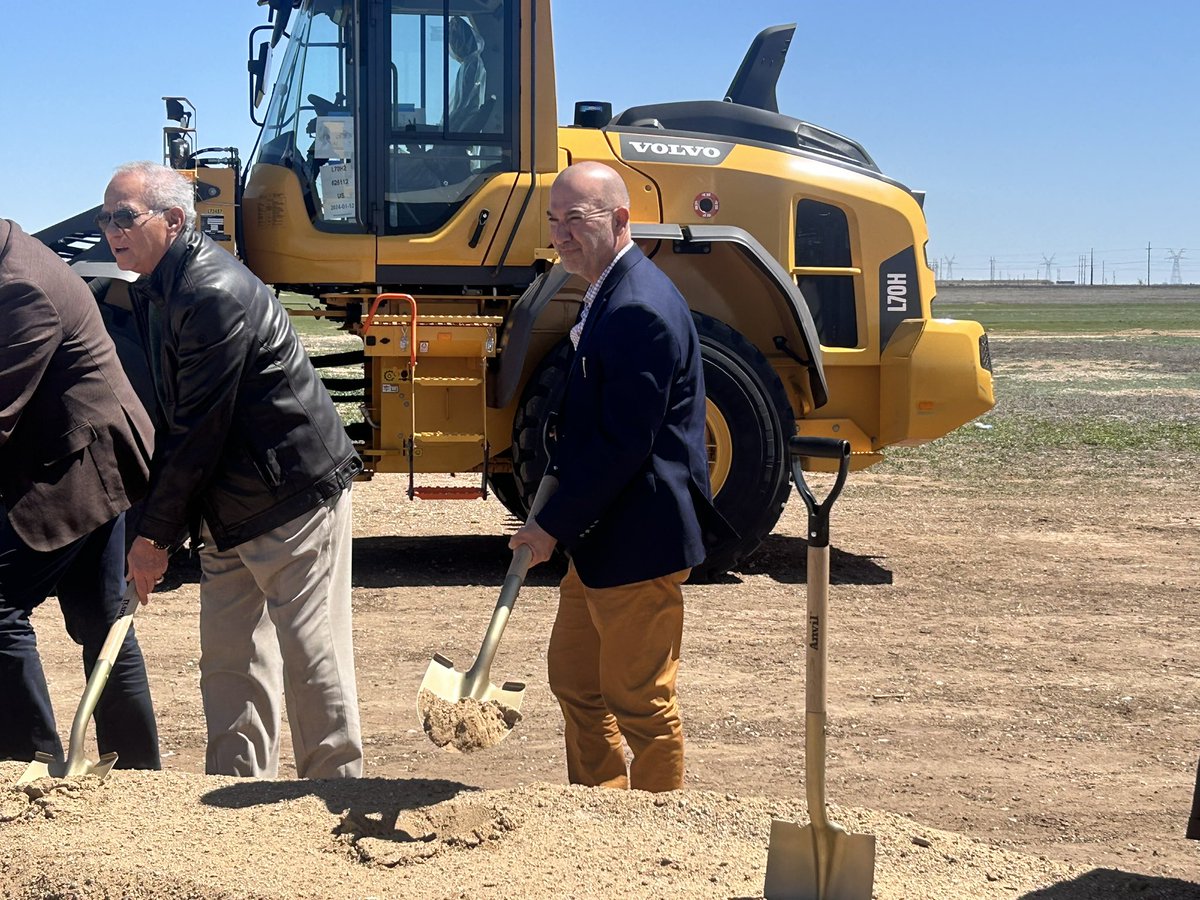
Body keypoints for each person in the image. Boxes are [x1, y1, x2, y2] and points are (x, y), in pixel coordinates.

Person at [101, 161, 364, 779]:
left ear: (172, 220)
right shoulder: (159, 288)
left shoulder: (212, 292)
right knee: (229, 659)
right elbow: (170, 419)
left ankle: (340, 796)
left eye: (123, 217)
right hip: (227, 503)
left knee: (311, 656)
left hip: (291, 496)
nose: (110, 229)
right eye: (104, 216)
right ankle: (239, 809)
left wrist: (153, 537)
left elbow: (197, 429)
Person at [509, 161, 731, 793]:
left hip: (640, 539)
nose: (561, 234)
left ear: (621, 219)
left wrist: (550, 526)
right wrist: (551, 514)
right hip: (604, 539)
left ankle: (657, 831)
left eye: (576, 219)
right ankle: (600, 811)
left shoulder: (639, 308)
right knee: (577, 680)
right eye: (554, 220)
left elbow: (622, 443)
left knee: (638, 701)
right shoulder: (611, 290)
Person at [0, 217, 160, 770]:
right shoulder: (12, 259)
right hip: (77, 456)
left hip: (79, 468)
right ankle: (139, 773)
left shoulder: (20, 286)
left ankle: (29, 768)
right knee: (99, 616)